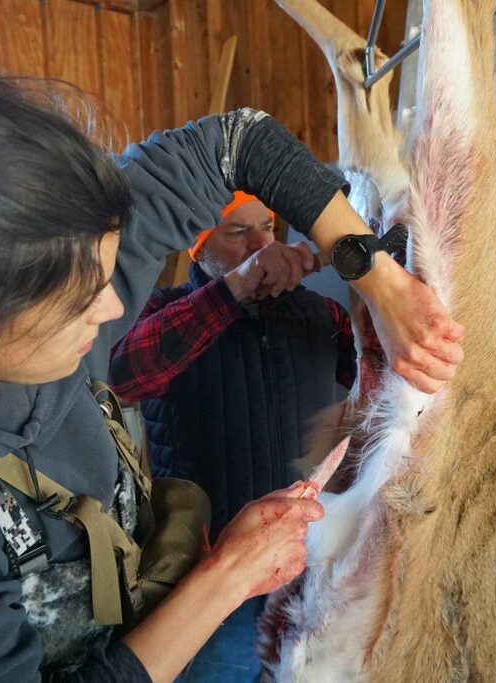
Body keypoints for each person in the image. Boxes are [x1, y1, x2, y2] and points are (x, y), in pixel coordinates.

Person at [0, 78, 463, 682]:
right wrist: (224, 581)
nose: (114, 306)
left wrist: (377, 280)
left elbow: (238, 140)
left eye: (108, 271)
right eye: (82, 299)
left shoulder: (45, 254)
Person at [108, 191, 356, 681]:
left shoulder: (321, 316)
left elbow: (377, 388)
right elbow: (121, 378)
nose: (262, 245)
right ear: (200, 249)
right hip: (209, 576)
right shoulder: (164, 311)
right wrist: (233, 291)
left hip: (311, 563)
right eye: (238, 233)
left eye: (268, 228)